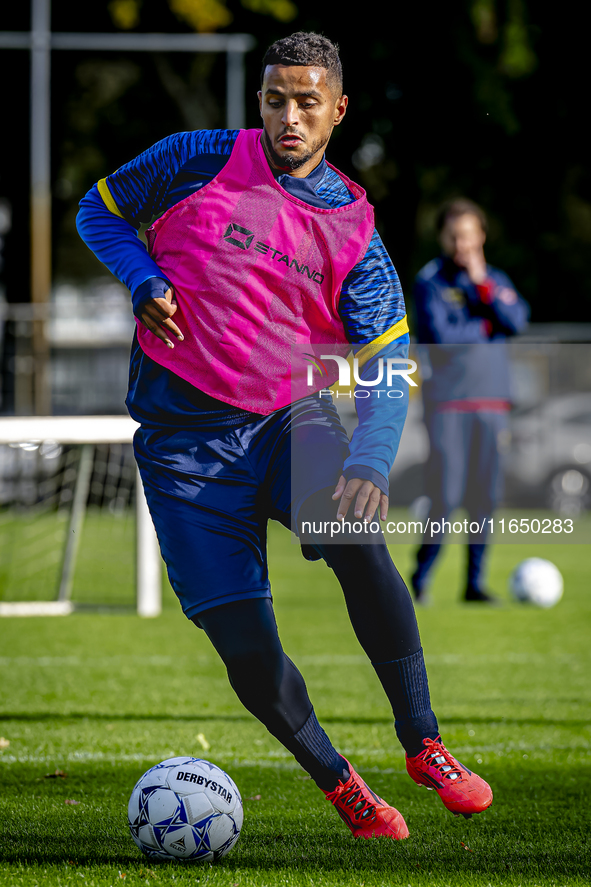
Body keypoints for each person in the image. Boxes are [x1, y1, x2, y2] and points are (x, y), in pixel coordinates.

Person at [77, 33, 492, 842]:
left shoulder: (355, 231)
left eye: (307, 101)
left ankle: (424, 743)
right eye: (275, 98)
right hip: (181, 453)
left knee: (358, 541)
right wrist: (141, 277)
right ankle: (344, 787)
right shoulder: (193, 158)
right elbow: (101, 209)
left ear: (338, 109)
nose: (289, 116)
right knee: (246, 647)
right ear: (259, 100)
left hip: (287, 423)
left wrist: (370, 457)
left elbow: (386, 358)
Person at [412, 198, 529, 603]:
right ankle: (421, 577)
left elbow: (516, 321)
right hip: (448, 405)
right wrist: (484, 325)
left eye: (468, 235)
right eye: (454, 236)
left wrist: (483, 290)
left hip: (493, 405)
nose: (462, 243)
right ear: (444, 238)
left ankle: (474, 584)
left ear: (481, 236)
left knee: (485, 498)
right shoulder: (431, 282)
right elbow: (442, 341)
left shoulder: (495, 279)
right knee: (446, 495)